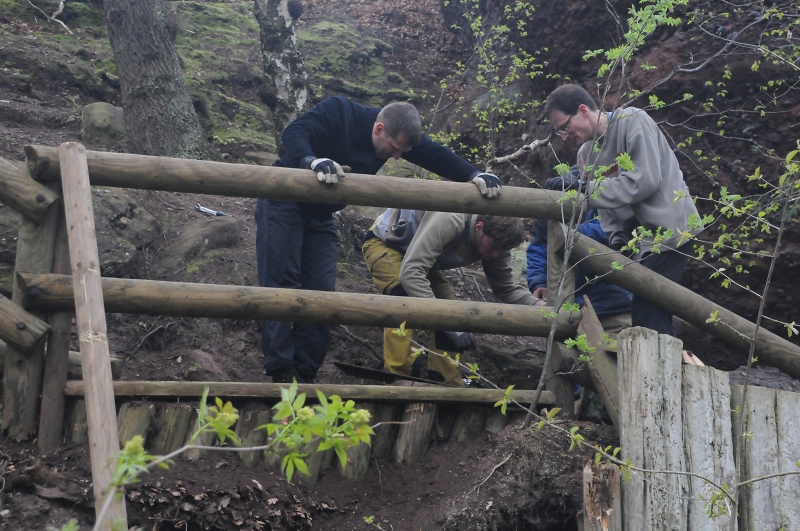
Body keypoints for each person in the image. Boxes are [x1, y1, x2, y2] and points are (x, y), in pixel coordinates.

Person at [257, 96, 502, 383]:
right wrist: (311, 160)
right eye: (394, 149)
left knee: (321, 291)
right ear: (379, 129)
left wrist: (475, 174)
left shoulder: (398, 134)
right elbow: (294, 132)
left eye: (402, 151)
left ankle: (306, 372)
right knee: (283, 282)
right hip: (283, 202)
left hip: (321, 216)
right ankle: (281, 371)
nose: (396, 157)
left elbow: (435, 154)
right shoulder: (340, 112)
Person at [544, 84, 702, 336]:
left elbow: (645, 180)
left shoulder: (632, 120)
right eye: (558, 132)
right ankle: (668, 370)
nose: (563, 136)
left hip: (672, 232)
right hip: (639, 243)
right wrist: (618, 243)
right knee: (654, 311)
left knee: (649, 311)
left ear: (583, 110)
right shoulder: (586, 153)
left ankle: (655, 372)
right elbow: (608, 208)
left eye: (564, 127)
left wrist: (585, 187)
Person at [362, 210, 540, 386]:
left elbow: (506, 288)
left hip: (420, 261)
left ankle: (445, 382)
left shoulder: (498, 243)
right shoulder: (451, 219)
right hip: (386, 243)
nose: (495, 255)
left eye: (501, 251)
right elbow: (411, 274)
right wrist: (448, 326)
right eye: (493, 247)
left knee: (449, 309)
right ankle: (398, 377)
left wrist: (541, 307)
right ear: (479, 228)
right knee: (403, 299)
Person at [526, 141, 632, 342]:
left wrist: (562, 231)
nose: (587, 177)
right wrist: (539, 279)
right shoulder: (564, 190)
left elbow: (608, 233)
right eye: (586, 172)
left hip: (614, 305)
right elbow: (540, 243)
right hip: (571, 306)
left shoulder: (623, 191)